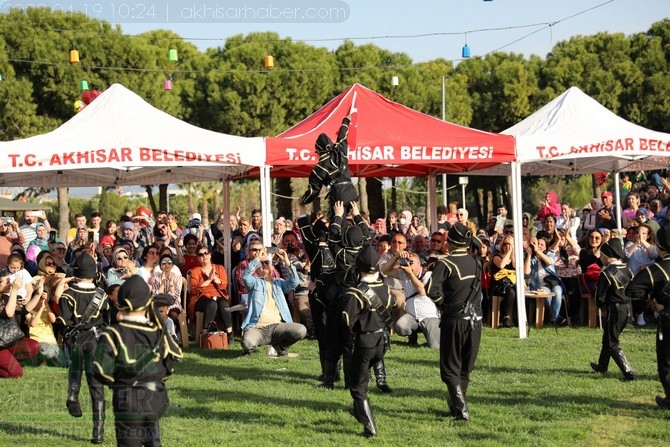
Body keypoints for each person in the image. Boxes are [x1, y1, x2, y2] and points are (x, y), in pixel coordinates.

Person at [92, 276, 183, 447]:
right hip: (156, 398)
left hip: (127, 399)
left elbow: (100, 370)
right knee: (153, 441)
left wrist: (119, 382)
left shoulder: (112, 333)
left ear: (121, 302)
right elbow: (169, 365)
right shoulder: (158, 332)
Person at [427, 223, 483, 422]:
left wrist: (443, 304)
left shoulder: (446, 264)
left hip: (455, 318)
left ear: (448, 242)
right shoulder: (477, 263)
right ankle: (456, 404)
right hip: (476, 320)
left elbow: (431, 289)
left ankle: (461, 411)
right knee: (465, 367)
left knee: (450, 368)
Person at [58, 253, 110, 444]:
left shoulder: (68, 295)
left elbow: (62, 322)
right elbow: (107, 321)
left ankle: (73, 394)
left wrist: (67, 336)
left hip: (76, 341)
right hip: (95, 341)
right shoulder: (102, 295)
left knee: (76, 368)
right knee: (97, 387)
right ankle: (98, 434)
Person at [343, 244, 393, 437]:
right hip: (382, 342)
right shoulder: (385, 288)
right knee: (361, 379)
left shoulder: (356, 292)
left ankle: (370, 428)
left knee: (357, 386)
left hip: (364, 343)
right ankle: (358, 410)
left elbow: (347, 319)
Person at [625, 223, 670, 410]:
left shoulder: (658, 269)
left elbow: (632, 289)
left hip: (668, 320)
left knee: (666, 364)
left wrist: (653, 299)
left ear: (660, 246)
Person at [240, 246, 306, 356]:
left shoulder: (279, 283)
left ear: (272, 266)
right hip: (258, 327)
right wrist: (256, 259)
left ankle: (281, 346)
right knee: (247, 343)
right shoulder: (254, 283)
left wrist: (286, 261)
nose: (264, 265)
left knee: (301, 330)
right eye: (261, 264)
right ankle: (250, 349)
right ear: (256, 269)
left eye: (266, 262)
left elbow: (295, 282)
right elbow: (245, 277)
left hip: (278, 327)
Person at [590, 239, 636, 381]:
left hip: (615, 309)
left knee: (612, 342)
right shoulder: (627, 269)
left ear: (608, 256)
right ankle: (602, 366)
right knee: (608, 338)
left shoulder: (607, 273)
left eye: (602, 256)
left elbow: (600, 296)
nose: (601, 258)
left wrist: (601, 306)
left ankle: (629, 373)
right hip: (628, 308)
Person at [300, 115, 359, 218]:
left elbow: (313, 191)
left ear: (318, 151)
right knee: (354, 219)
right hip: (352, 192)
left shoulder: (319, 168)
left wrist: (303, 200)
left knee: (337, 225)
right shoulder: (340, 152)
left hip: (338, 196)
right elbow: (342, 137)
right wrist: (345, 121)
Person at [381, 251, 439, 348]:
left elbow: (422, 290)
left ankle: (431, 335)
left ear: (419, 263)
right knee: (400, 326)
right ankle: (412, 335)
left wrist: (410, 274)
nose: (408, 265)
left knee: (435, 346)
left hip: (428, 316)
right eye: (406, 262)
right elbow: (385, 270)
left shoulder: (429, 274)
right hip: (411, 316)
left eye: (411, 262)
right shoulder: (404, 274)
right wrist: (397, 256)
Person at [188, 246, 234, 345]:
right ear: (198, 258)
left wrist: (215, 279)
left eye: (206, 253)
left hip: (218, 295)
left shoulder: (219, 268)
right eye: (201, 254)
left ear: (210, 254)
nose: (204, 256)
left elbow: (224, 286)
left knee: (224, 304)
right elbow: (194, 290)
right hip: (201, 297)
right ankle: (204, 334)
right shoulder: (195, 271)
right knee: (211, 304)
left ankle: (230, 334)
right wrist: (208, 280)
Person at [0, 273, 40, 378]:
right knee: (17, 374)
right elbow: (8, 313)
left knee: (33, 346)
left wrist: (38, 294)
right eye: (7, 282)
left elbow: (24, 310)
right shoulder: (10, 295)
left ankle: (9, 359)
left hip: (7, 342)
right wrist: (14, 290)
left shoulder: (4, 297)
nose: (10, 283)